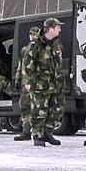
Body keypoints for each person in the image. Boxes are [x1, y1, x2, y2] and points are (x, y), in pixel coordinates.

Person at [23, 18, 64, 147]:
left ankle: (47, 132)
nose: (60, 29)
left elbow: (58, 64)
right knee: (39, 110)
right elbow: (28, 65)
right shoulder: (35, 45)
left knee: (57, 109)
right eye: (58, 27)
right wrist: (28, 82)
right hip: (39, 83)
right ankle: (37, 135)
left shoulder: (56, 44)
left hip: (55, 84)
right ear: (51, 28)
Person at [13, 27, 41, 141]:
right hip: (26, 82)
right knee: (24, 106)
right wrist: (17, 79)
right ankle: (26, 131)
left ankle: (38, 133)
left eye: (34, 34)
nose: (32, 36)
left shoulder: (41, 49)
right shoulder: (25, 49)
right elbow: (21, 65)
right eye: (30, 34)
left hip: (36, 83)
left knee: (37, 107)